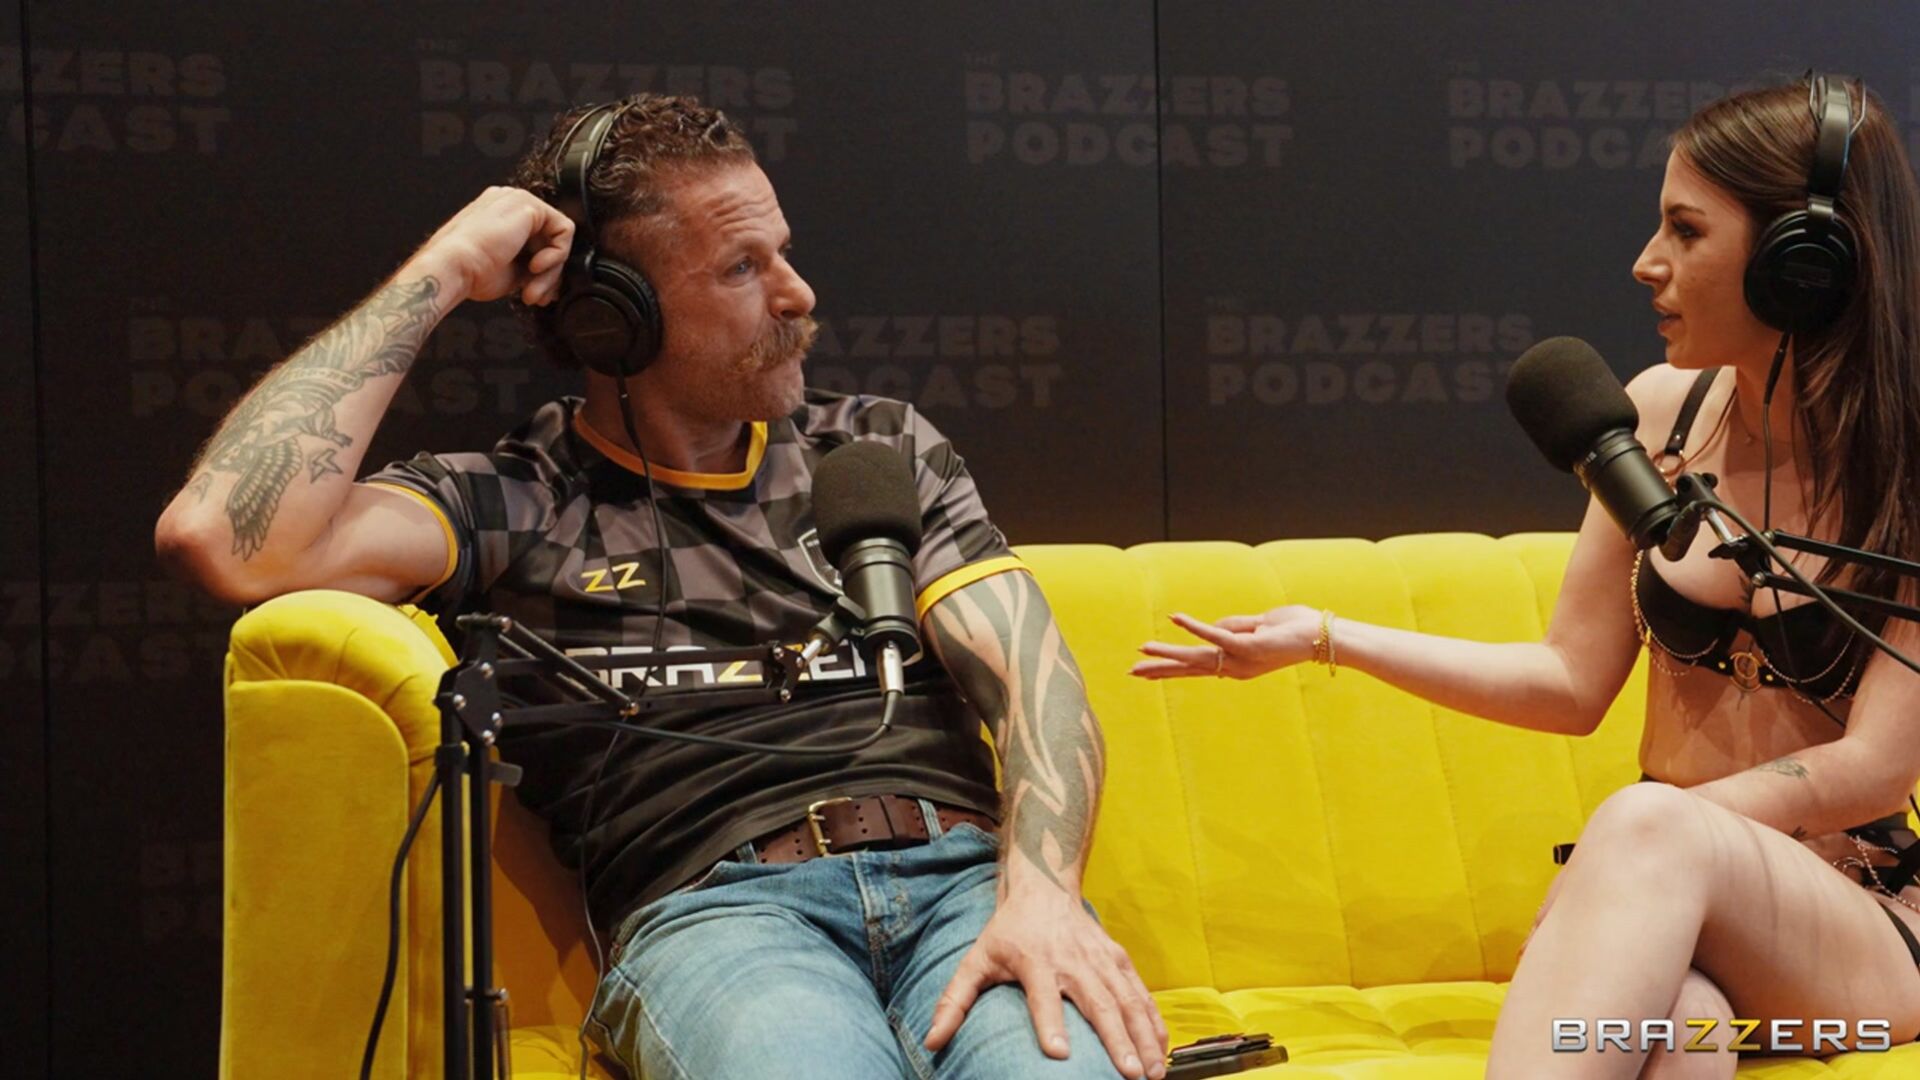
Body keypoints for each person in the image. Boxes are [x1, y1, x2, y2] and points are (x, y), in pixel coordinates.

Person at [156, 93, 1166, 1080]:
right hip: (722, 918)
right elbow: (226, 542)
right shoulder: (518, 501)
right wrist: (445, 270)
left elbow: (1036, 690)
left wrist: (1041, 898)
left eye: (781, 251)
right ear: (615, 321)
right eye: (741, 267)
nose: (797, 293)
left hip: (966, 887)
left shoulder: (875, 450)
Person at [1134, 74, 1920, 1078]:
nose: (1646, 262)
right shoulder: (1659, 416)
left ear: (1802, 263)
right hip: (1675, 901)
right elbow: (1570, 680)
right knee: (1680, 1044)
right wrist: (1329, 637)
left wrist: (1628, 846)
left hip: (1858, 930)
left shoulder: (1907, 463)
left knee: (1646, 826)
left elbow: (1875, 766)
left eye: (1687, 231)